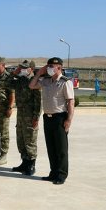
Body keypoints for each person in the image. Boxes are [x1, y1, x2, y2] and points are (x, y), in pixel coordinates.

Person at [29, 57, 74, 185]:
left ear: (59, 67)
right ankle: (53, 172)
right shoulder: (46, 81)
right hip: (47, 118)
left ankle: (61, 174)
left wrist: (69, 120)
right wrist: (39, 73)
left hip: (60, 118)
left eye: (51, 66)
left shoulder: (66, 82)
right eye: (47, 66)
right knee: (51, 147)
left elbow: (70, 102)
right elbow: (32, 86)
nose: (48, 68)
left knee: (61, 149)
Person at [10, 60, 41, 175]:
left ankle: (31, 165)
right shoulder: (20, 80)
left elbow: (38, 102)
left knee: (30, 140)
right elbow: (6, 83)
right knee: (21, 139)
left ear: (31, 69)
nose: (22, 69)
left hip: (30, 115)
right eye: (21, 67)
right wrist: (14, 73)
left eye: (24, 68)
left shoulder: (35, 82)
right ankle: (24, 163)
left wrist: (36, 118)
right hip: (21, 114)